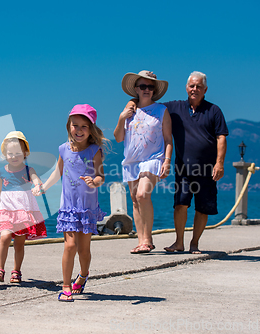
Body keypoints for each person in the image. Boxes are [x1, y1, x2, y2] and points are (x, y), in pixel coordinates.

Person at [126, 71, 228, 254]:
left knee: (203, 208)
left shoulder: (214, 111)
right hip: (183, 167)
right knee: (180, 204)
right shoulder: (174, 108)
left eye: (198, 86)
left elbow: (221, 138)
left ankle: (194, 243)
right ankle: (179, 242)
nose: (194, 89)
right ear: (186, 88)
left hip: (207, 168)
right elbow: (146, 102)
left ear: (205, 89)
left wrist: (219, 163)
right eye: (191, 86)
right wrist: (131, 102)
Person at [35, 104, 107, 302]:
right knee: (69, 246)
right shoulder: (63, 149)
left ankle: (83, 275)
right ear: (69, 126)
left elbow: (100, 175)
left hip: (87, 208)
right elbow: (57, 172)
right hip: (68, 207)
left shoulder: (94, 151)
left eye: (84, 126)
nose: (79, 130)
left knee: (84, 250)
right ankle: (65, 285)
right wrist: (44, 187)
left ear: (91, 129)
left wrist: (95, 181)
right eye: (75, 125)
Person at [114, 70, 173, 254]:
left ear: (154, 90)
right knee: (135, 200)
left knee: (142, 195)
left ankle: (147, 239)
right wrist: (122, 117)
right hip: (132, 161)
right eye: (143, 86)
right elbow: (118, 138)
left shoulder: (161, 111)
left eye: (150, 87)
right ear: (136, 89)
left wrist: (167, 161)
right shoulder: (129, 110)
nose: (146, 89)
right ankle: (142, 241)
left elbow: (168, 139)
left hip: (153, 159)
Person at [0, 131, 47, 283]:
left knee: (19, 243)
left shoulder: (29, 170)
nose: (14, 156)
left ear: (25, 153)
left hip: (23, 211)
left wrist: (37, 186)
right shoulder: (1, 171)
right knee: (5, 237)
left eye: (18, 153)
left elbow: (37, 180)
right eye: (10, 153)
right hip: (6, 211)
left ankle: (16, 271)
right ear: (5, 154)